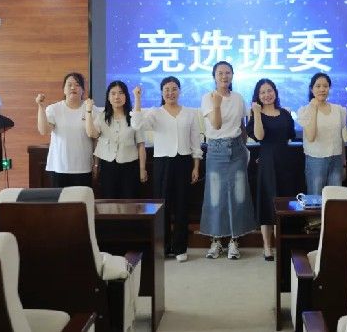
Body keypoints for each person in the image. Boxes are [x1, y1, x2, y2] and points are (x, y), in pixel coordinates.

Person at [131, 77, 202, 263]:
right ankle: (163, 246)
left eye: (174, 89)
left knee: (182, 205)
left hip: (184, 161)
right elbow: (137, 125)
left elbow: (195, 141)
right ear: (162, 92)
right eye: (167, 89)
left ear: (180, 91)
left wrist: (196, 166)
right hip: (162, 162)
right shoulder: (155, 112)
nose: (170, 92)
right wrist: (137, 99)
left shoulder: (190, 113)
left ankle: (180, 247)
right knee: (163, 206)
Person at [200, 61, 257, 260]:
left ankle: (234, 241)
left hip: (237, 150)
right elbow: (216, 125)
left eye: (228, 73)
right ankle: (216, 241)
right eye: (220, 73)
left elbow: (241, 126)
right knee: (215, 196)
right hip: (216, 150)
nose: (224, 76)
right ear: (214, 76)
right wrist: (217, 104)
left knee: (238, 195)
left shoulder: (238, 98)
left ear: (232, 75)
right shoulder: (208, 98)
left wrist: (244, 148)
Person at [246, 78, 295, 261]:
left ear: (275, 92)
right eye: (262, 92)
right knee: (266, 204)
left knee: (283, 203)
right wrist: (257, 113)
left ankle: (281, 243)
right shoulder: (256, 115)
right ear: (257, 96)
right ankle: (267, 246)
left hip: (285, 162)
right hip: (266, 163)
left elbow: (290, 136)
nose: (267, 95)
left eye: (270, 90)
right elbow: (260, 136)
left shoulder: (285, 113)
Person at [85, 80, 145, 199]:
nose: (117, 96)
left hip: (130, 166)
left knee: (129, 201)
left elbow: (141, 145)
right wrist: (88, 111)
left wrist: (142, 169)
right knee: (109, 200)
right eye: (113, 93)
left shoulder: (134, 117)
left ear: (126, 96)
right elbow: (92, 134)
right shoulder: (102, 117)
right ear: (108, 97)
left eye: (121, 93)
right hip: (108, 166)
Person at [36, 72, 93, 188]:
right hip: (59, 167)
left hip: (83, 167)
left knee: (82, 199)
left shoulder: (90, 109)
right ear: (64, 89)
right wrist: (41, 107)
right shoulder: (54, 109)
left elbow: (95, 136)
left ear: (83, 90)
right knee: (60, 199)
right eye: (69, 85)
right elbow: (44, 130)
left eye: (77, 84)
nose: (73, 88)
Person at [297, 72, 347, 195]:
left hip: (336, 160)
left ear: (329, 88)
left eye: (325, 86)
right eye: (318, 86)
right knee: (315, 198)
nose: (322, 89)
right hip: (316, 160)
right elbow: (311, 137)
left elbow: (340, 138)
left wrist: (344, 164)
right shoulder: (304, 111)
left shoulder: (338, 110)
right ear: (311, 89)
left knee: (335, 198)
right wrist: (314, 108)